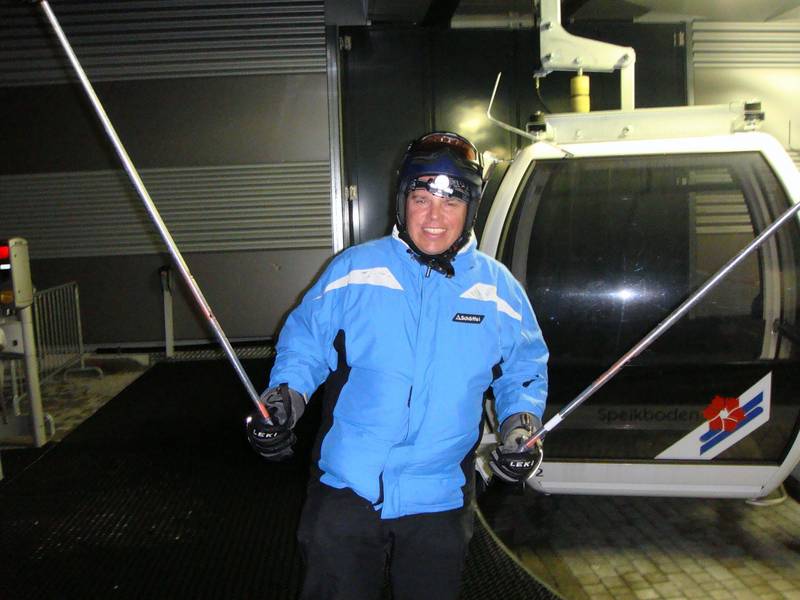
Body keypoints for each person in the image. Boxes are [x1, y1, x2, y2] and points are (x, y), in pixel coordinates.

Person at [246, 132, 548, 600]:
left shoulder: (498, 290)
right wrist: (283, 399)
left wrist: (520, 425)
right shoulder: (354, 271)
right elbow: (306, 344)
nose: (434, 217)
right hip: (348, 486)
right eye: (421, 198)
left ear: (470, 208)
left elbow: (523, 366)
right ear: (402, 200)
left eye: (451, 202)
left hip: (440, 493)